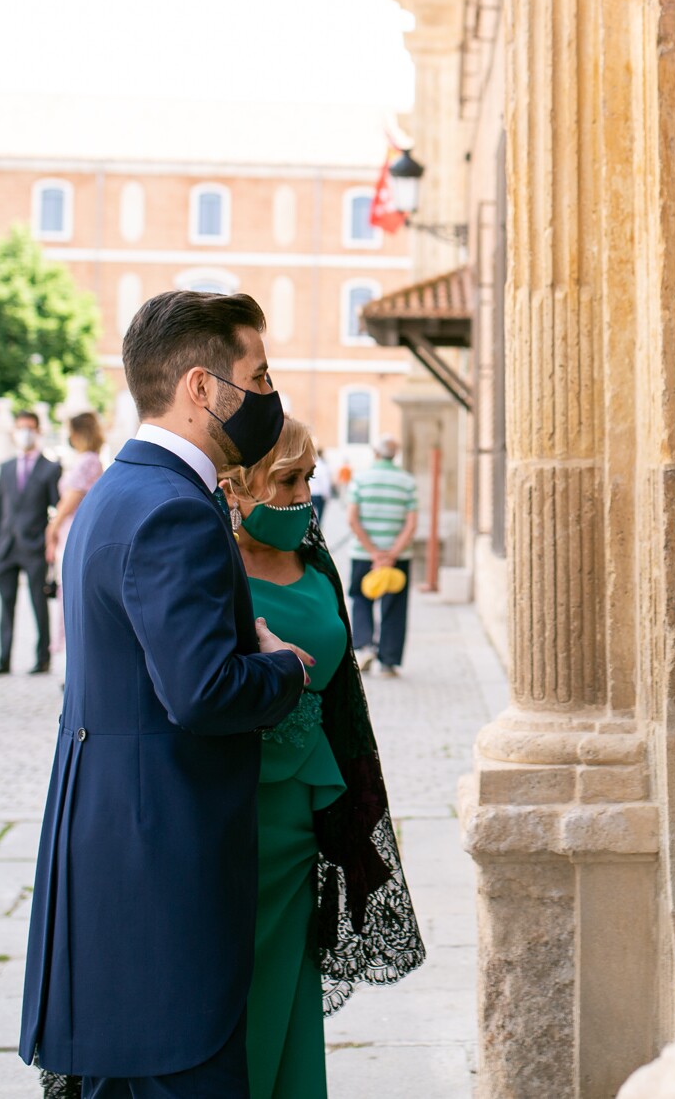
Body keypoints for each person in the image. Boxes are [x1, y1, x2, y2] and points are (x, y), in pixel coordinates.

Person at [21, 289, 312, 1096]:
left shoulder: (123, 489)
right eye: (257, 375)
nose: (267, 394)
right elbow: (204, 691)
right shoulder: (171, 508)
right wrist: (284, 666)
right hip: (160, 863)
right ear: (199, 387)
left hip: (115, 842)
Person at [223, 416, 424, 1097]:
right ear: (235, 484)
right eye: (287, 479)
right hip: (231, 816)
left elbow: (341, 695)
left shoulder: (315, 562)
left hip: (304, 819)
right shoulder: (209, 568)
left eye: (308, 478)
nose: (304, 494)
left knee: (287, 987)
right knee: (233, 999)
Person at [0, 411, 61, 676]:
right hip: (6, 547)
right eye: (20, 428)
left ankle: (43, 659)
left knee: (39, 604)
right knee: (5, 605)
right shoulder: (5, 468)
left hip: (35, 547)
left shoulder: (50, 468)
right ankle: (3, 658)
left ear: (38, 431)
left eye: (29, 428)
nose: (24, 433)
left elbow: (57, 509)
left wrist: (51, 542)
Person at [345, 435, 418, 677]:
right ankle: (388, 661)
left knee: (361, 599)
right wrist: (391, 554)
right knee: (395, 606)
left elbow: (352, 519)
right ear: (394, 455)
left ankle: (364, 646)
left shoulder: (360, 479)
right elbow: (411, 524)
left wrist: (374, 552)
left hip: (364, 555)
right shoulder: (407, 482)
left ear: (375, 453)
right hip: (398, 558)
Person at [43, 412, 106, 659]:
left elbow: (73, 497)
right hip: (71, 529)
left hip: (72, 530)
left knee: (70, 594)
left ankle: (71, 658)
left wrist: (52, 527)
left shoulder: (88, 460)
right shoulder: (86, 459)